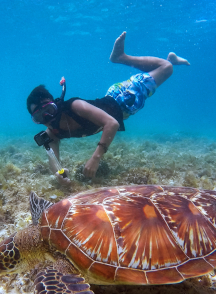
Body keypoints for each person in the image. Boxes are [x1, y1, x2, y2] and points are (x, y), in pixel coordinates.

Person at [27, 31, 190, 184]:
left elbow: (112, 124)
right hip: (114, 99)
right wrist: (59, 174)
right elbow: (53, 160)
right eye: (40, 117)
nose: (48, 118)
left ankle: (121, 57)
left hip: (124, 98)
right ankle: (172, 60)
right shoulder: (53, 133)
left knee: (166, 69)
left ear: (56, 104)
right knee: (162, 70)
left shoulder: (74, 106)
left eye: (49, 110)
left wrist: (96, 157)